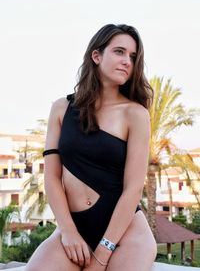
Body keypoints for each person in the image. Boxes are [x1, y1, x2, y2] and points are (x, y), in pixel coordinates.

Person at [25, 24, 157, 271]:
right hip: (75, 229)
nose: (127, 61)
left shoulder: (135, 114)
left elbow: (133, 188)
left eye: (132, 56)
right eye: (119, 51)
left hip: (126, 234)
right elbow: (52, 177)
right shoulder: (62, 108)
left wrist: (103, 252)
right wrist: (67, 231)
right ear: (96, 56)